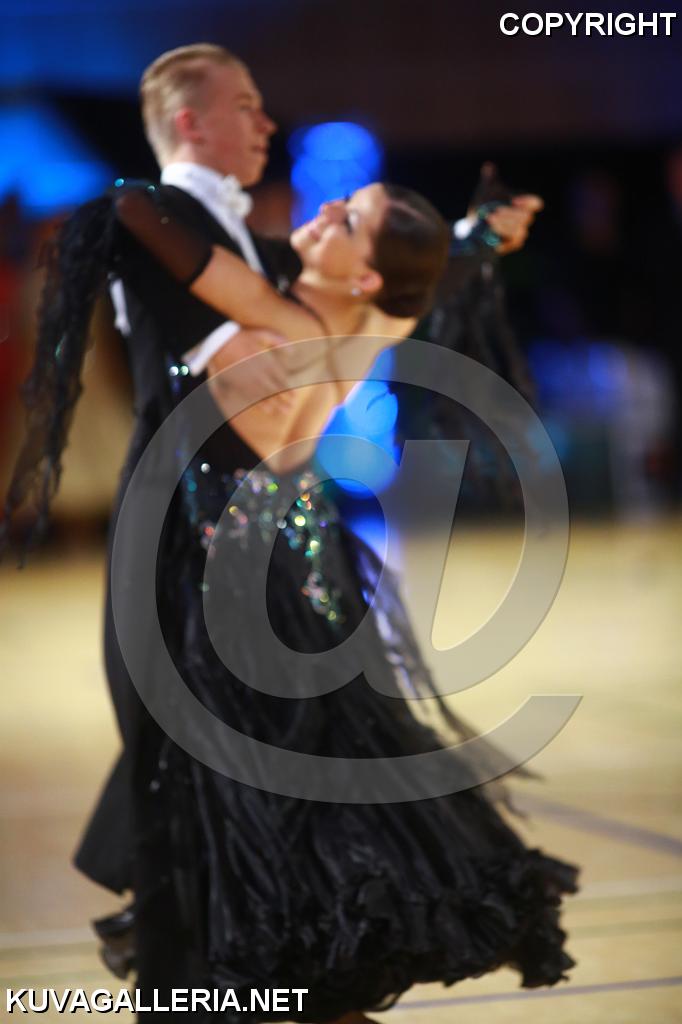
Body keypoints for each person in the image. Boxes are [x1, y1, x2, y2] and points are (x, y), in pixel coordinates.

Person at [1, 44, 567, 1024]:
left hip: (277, 548)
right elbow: (338, 292)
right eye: (247, 106)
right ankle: (238, 973)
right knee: (209, 764)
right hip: (187, 539)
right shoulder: (169, 226)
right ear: (191, 122)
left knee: (287, 757)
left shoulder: (259, 255)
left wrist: (457, 245)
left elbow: (374, 282)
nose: (268, 124)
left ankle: (280, 971)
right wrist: (427, 264)